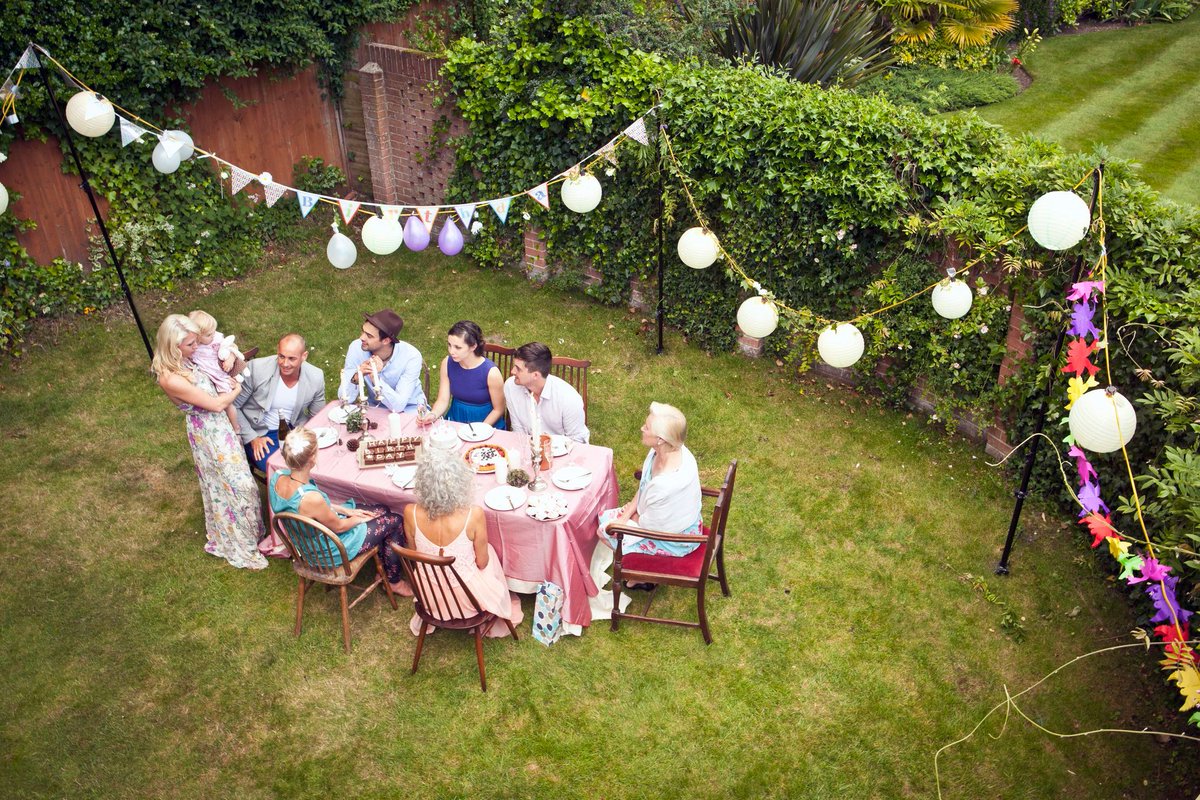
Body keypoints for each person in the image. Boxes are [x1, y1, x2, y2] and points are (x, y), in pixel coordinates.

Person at [151, 314, 267, 570]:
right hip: (208, 432)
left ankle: (251, 532)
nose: (196, 347)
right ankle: (238, 542)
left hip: (222, 425)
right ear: (173, 346)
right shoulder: (169, 377)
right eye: (190, 344)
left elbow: (217, 345)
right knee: (236, 484)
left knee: (236, 482)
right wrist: (237, 386)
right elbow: (215, 404)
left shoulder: (190, 358)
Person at [588, 402, 702, 616]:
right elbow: (644, 486)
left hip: (675, 540)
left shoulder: (667, 484)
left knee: (604, 530)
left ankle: (642, 575)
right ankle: (641, 576)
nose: (642, 428)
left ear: (660, 439)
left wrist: (622, 522)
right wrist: (627, 513)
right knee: (607, 518)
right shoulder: (664, 451)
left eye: (647, 427)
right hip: (656, 519)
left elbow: (651, 526)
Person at [269, 429, 410, 596]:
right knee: (394, 521)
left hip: (307, 540)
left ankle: (384, 567)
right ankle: (394, 581)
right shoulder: (311, 499)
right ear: (312, 458)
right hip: (329, 550)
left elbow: (313, 509)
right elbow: (341, 527)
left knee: (382, 510)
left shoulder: (277, 476)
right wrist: (357, 519)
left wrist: (345, 509)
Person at [403, 444, 523, 637]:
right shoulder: (473, 514)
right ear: (460, 482)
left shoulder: (410, 512)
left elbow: (415, 556)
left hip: (430, 596)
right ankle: (500, 596)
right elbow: (482, 563)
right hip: (467, 601)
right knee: (489, 551)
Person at [234, 333, 326, 472]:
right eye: (281, 356)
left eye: (292, 359)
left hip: (294, 430)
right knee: (282, 471)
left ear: (304, 356)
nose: (285, 363)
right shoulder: (257, 368)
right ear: (277, 350)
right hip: (261, 433)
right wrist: (252, 438)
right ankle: (289, 492)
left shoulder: (315, 376)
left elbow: (318, 416)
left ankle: (310, 492)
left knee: (318, 463)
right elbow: (234, 406)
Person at [337, 309, 426, 413]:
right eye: (363, 331)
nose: (361, 337)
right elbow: (344, 399)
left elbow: (398, 406)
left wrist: (376, 380)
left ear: (386, 340)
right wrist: (357, 376)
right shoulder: (356, 348)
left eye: (369, 336)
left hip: (411, 409)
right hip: (376, 408)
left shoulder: (411, 356)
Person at [502, 341, 588, 443]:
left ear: (535, 375)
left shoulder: (569, 399)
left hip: (563, 452)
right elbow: (518, 430)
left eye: (518, 369)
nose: (512, 371)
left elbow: (578, 441)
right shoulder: (510, 387)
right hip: (528, 449)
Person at [425, 320, 505, 429]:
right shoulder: (447, 363)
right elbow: (443, 399)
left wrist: (481, 429)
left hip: (485, 423)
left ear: (473, 346)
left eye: (457, 347)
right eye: (449, 345)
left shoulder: (491, 373)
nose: (451, 351)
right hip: (456, 420)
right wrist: (433, 414)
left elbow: (499, 409)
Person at [186, 310, 245, 433]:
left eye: (213, 332)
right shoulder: (194, 346)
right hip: (208, 378)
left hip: (221, 375)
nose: (213, 335)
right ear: (196, 336)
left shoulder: (216, 338)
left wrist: (230, 358)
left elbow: (231, 347)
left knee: (227, 405)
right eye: (208, 335)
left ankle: (236, 428)